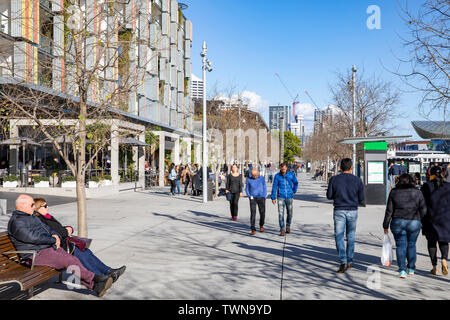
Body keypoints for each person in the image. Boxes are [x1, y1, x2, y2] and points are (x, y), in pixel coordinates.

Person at [7, 195, 113, 297]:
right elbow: (33, 237)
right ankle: (96, 279)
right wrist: (53, 239)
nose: (34, 207)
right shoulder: (17, 222)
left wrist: (56, 235)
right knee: (69, 261)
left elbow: (47, 229)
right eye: (32, 205)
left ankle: (96, 287)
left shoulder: (32, 217)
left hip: (45, 250)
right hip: (33, 255)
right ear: (22, 206)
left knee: (72, 259)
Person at [33, 198, 126, 282]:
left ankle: (109, 271)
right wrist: (67, 230)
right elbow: (56, 232)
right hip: (58, 247)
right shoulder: (40, 219)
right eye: (45, 206)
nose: (47, 207)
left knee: (87, 252)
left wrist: (68, 229)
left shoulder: (47, 216)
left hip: (65, 243)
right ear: (38, 208)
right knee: (80, 254)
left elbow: (59, 229)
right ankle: (101, 277)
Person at [383, 174, 427, 278]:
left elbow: (389, 210)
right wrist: (420, 220)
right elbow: (424, 209)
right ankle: (411, 268)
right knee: (411, 244)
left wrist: (385, 225)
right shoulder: (418, 192)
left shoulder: (394, 192)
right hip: (414, 221)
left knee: (400, 245)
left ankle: (402, 270)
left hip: (398, 221)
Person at [326, 158, 364, 273]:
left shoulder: (334, 179)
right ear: (351, 167)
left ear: (340, 167)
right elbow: (361, 198)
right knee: (351, 235)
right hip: (352, 210)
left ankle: (343, 261)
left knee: (339, 236)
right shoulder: (357, 180)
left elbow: (329, 195)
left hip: (339, 210)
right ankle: (350, 260)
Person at [421, 166, 450, 276]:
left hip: (430, 218)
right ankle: (444, 259)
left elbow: (422, 203)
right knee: (444, 241)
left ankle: (435, 266)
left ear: (431, 174)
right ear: (442, 173)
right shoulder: (448, 186)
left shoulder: (426, 186)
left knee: (431, 242)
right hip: (445, 218)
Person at [271, 163, 298, 236]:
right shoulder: (277, 176)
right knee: (280, 214)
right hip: (281, 196)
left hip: (289, 196)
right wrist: (273, 197)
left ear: (286, 168)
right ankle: (282, 229)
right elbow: (274, 187)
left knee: (290, 213)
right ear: (280, 168)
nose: (283, 170)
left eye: (285, 169)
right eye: (282, 169)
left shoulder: (291, 174)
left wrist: (294, 190)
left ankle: (288, 225)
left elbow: (295, 182)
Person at [245, 168, 267, 235]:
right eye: (253, 175)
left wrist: (264, 195)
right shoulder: (249, 179)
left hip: (261, 197)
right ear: (251, 174)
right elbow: (246, 189)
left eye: (256, 175)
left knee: (262, 213)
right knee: (253, 213)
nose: (255, 176)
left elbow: (264, 187)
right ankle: (252, 228)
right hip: (253, 198)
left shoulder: (262, 178)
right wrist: (249, 196)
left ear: (258, 173)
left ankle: (261, 225)